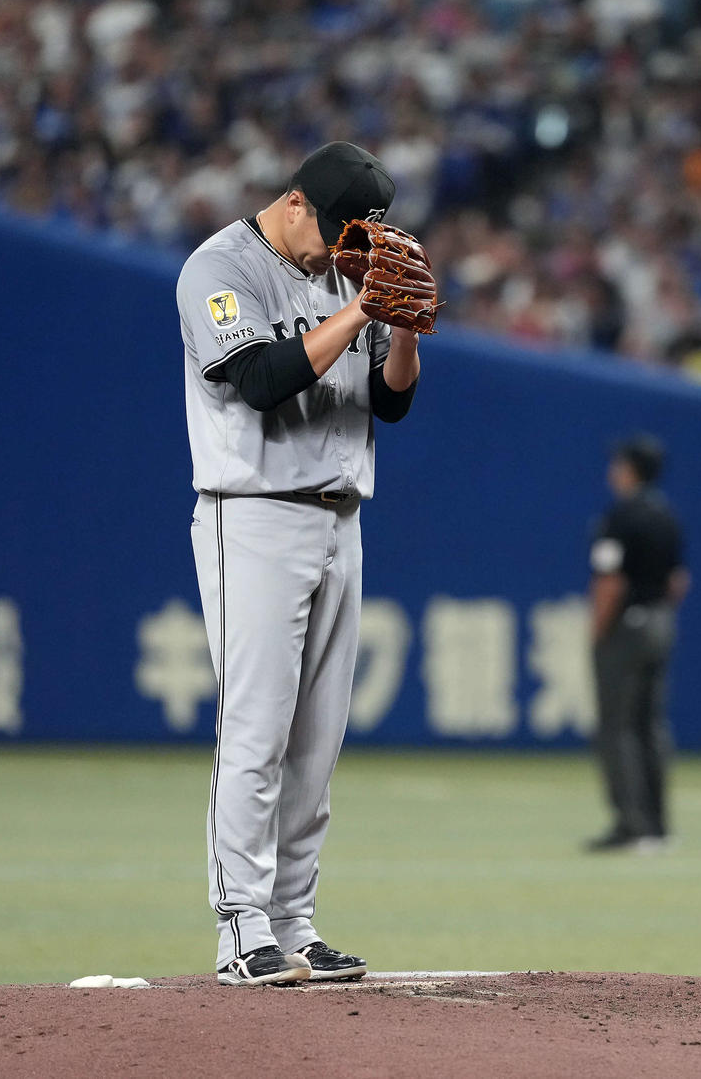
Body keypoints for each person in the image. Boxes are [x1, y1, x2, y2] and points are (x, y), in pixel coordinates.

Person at [177, 141, 426, 986]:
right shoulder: (219, 266)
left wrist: (405, 331)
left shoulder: (346, 275)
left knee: (316, 744)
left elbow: (389, 402)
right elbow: (258, 377)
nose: (344, 251)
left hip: (340, 518)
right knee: (256, 731)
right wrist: (363, 312)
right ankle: (240, 928)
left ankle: (294, 921)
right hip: (251, 517)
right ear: (294, 203)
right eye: (337, 232)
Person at [585, 434, 689, 852]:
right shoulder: (667, 516)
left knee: (619, 726)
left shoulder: (621, 517)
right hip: (661, 622)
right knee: (651, 725)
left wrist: (598, 631)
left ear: (629, 469)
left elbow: (611, 581)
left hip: (627, 627)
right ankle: (658, 825)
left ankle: (632, 825)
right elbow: (678, 581)